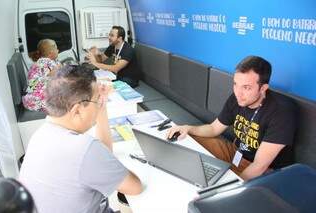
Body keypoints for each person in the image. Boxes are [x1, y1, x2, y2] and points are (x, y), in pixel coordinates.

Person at [19, 65, 142, 213]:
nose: (98, 105)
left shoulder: (40, 135)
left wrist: (100, 106)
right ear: (77, 110)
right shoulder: (84, 148)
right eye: (96, 101)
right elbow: (134, 187)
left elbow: (104, 152)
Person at [167, 56, 296, 180]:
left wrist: (230, 190)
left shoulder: (281, 111)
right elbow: (213, 129)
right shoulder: (238, 98)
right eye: (235, 84)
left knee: (223, 184)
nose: (238, 93)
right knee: (188, 138)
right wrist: (188, 128)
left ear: (263, 88)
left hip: (263, 170)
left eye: (246, 87)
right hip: (235, 153)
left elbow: (259, 165)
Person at [22, 39, 61, 112]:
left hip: (31, 98)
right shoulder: (47, 63)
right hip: (37, 100)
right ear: (50, 53)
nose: (58, 50)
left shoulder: (41, 61)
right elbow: (59, 75)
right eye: (56, 49)